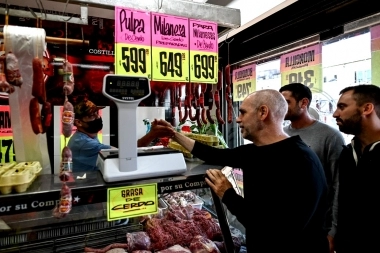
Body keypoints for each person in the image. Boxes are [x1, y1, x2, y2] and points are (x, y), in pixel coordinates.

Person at [158, 89, 329, 253]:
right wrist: (174, 134)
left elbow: (279, 229)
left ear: (263, 112)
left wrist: (227, 194)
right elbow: (212, 154)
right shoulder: (253, 152)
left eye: (243, 113)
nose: (238, 119)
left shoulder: (301, 160)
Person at [279, 83, 345, 253]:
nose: (280, 107)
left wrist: (333, 231)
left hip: (317, 228)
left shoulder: (330, 136)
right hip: (287, 226)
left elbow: (339, 184)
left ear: (303, 103)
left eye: (286, 102)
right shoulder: (280, 133)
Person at [332, 84, 380, 253]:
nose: (335, 114)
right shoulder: (347, 153)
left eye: (342, 107)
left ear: (367, 108)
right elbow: (341, 198)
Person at [67, 99, 175, 172]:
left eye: (97, 114)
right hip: (85, 189)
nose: (97, 118)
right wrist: (152, 134)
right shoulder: (83, 143)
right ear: (78, 122)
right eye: (91, 116)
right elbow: (126, 154)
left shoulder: (86, 136)